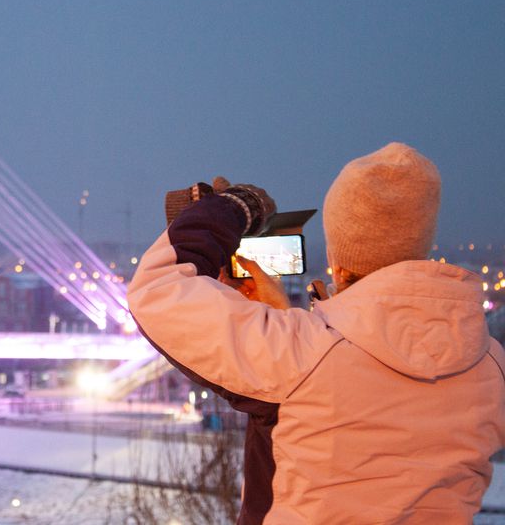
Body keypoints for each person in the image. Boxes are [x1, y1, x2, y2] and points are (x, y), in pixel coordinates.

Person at [127, 142, 505, 524]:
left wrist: (233, 208)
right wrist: (286, 318)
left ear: (338, 266)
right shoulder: (491, 364)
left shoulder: (299, 358)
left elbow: (159, 289)